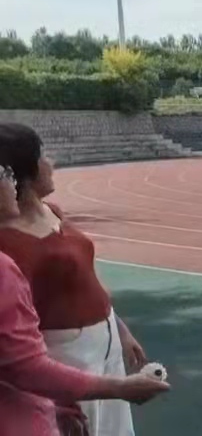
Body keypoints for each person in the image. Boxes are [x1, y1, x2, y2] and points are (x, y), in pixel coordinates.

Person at [0, 122, 149, 436]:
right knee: (84, 427)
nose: (51, 163)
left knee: (116, 428)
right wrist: (53, 398)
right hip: (67, 354)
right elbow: (17, 340)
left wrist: (119, 329)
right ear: (23, 173)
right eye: (43, 156)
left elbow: (85, 278)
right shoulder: (9, 245)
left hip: (104, 341)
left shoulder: (52, 212)